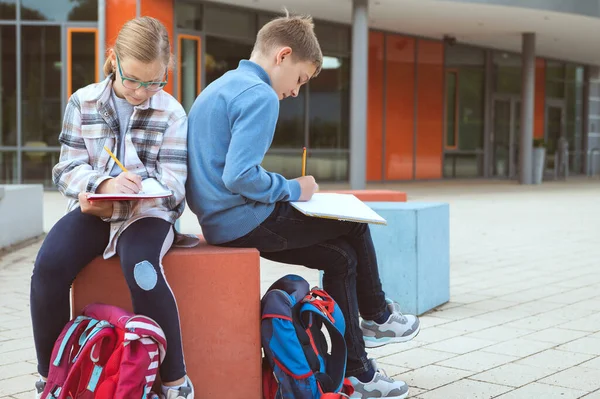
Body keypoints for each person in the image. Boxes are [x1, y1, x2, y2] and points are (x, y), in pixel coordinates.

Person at [186, 11, 420, 399]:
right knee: (354, 222)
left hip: (219, 221)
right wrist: (295, 188)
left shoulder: (222, 85)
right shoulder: (260, 94)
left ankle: (357, 374)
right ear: (283, 55)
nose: (296, 92)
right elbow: (239, 176)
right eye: (300, 79)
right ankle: (378, 317)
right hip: (244, 220)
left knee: (341, 258)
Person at [30, 16, 194, 399]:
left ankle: (175, 382)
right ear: (114, 61)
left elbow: (173, 185)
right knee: (48, 267)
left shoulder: (171, 112)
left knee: (141, 268)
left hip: (149, 213)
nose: (141, 91)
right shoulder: (82, 102)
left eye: (154, 82)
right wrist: (100, 185)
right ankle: (52, 377)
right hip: (96, 210)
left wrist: (135, 190)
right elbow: (66, 167)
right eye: (132, 79)